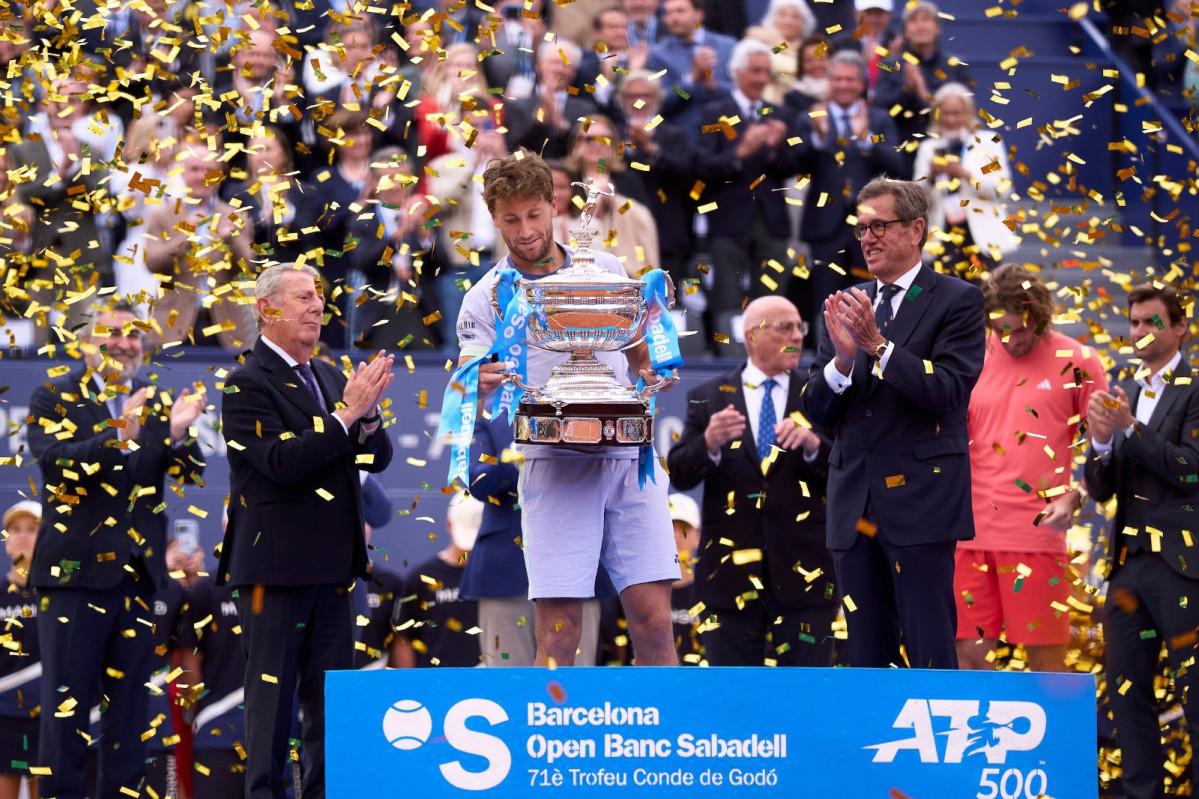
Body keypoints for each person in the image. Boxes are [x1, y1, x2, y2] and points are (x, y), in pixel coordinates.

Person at [454, 149, 680, 666]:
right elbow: (466, 382)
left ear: (553, 206)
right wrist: (480, 381)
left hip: (629, 457)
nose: (526, 229)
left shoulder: (602, 266)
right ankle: (547, 745)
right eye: (511, 219)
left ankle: (668, 744)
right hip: (555, 463)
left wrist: (651, 371)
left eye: (534, 214)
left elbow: (637, 347)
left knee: (653, 622)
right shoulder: (484, 297)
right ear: (494, 218)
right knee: (559, 635)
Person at [217, 263, 395, 799]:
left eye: (318, 296)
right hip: (273, 572)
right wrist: (347, 417)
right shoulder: (245, 382)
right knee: (270, 714)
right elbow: (280, 462)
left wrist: (365, 418)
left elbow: (377, 457)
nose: (317, 306)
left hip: (334, 571)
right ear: (267, 309)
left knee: (331, 709)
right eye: (302, 298)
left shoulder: (330, 376)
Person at [801, 177, 985, 669]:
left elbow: (949, 390)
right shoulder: (847, 303)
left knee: (929, 649)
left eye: (879, 225)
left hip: (921, 505)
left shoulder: (957, 300)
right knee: (865, 654)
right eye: (862, 228)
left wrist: (879, 348)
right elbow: (815, 411)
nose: (868, 238)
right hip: (854, 506)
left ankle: (937, 745)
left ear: (916, 229)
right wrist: (841, 363)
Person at [27, 301, 206, 798]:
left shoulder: (156, 398)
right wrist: (118, 432)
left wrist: (177, 431)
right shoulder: (52, 396)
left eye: (134, 334)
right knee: (65, 715)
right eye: (112, 333)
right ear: (86, 342)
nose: (125, 343)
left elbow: (189, 472)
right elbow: (58, 467)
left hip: (136, 582)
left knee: (129, 716)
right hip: (72, 581)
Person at [669, 296, 838, 665]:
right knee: (732, 702)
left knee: (803, 696)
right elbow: (679, 473)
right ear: (751, 336)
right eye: (784, 328)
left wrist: (812, 444)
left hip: (805, 580)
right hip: (728, 583)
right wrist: (708, 443)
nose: (796, 336)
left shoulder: (819, 396)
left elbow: (847, 470)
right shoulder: (708, 397)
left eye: (799, 327)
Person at [957, 265, 1108, 672]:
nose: (1011, 339)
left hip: (1037, 535)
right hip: (968, 535)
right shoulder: (970, 354)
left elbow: (1106, 449)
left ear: (1041, 316)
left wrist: (1075, 496)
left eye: (1021, 329)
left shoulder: (1080, 361)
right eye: (1001, 329)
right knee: (968, 658)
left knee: (1045, 664)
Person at [1085, 282, 1198, 799]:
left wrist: (1129, 428)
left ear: (1180, 327)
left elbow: (1191, 470)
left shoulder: (1195, 386)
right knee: (1127, 693)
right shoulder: (1124, 388)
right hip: (1127, 566)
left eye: (1151, 322)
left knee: (1194, 695)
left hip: (1183, 567)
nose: (1139, 333)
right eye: (1133, 323)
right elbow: (1103, 489)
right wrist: (1102, 443)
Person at [458, 413, 611, 666]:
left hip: (577, 562)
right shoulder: (492, 413)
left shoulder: (586, 404)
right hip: (506, 572)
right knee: (507, 686)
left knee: (574, 685)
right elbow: (476, 480)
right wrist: (517, 453)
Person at [792, 50, 903, 329]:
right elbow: (790, 162)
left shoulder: (879, 119)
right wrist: (818, 137)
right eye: (837, 79)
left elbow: (898, 163)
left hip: (872, 225)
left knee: (870, 296)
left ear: (861, 84)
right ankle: (824, 361)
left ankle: (871, 356)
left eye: (850, 80)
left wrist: (866, 140)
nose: (843, 85)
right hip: (824, 224)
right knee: (824, 300)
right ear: (829, 81)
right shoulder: (810, 117)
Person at [696, 38, 801, 324]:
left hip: (772, 220)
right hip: (728, 219)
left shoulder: (781, 115)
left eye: (766, 72)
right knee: (728, 296)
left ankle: (771, 355)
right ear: (737, 72)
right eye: (755, 71)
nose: (762, 79)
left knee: (772, 298)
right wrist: (740, 153)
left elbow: (794, 166)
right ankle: (730, 356)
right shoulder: (714, 113)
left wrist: (777, 147)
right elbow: (703, 166)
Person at [144, 138, 256, 351]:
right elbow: (151, 263)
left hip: (226, 326)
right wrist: (184, 237)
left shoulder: (235, 216)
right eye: (195, 169)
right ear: (183, 173)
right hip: (173, 324)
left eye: (209, 170)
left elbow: (249, 265)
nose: (202, 176)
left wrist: (231, 241)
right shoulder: (161, 215)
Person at [911, 83, 1017, 279]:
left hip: (982, 236)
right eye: (946, 113)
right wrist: (932, 177)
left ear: (968, 113)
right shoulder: (928, 147)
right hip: (944, 235)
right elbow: (916, 200)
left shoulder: (988, 142)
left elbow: (1003, 189)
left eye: (957, 113)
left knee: (986, 296)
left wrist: (968, 175)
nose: (952, 120)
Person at [871, 0, 973, 178]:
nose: (920, 26)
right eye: (913, 20)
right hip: (898, 153)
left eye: (926, 19)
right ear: (905, 30)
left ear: (938, 27)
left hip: (942, 154)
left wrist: (922, 92)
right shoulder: (889, 65)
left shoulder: (955, 66)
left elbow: (962, 111)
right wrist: (905, 89)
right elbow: (879, 107)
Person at [390, 494, 483, 668]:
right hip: (432, 685)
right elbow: (404, 638)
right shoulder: (421, 577)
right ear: (449, 525)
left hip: (486, 685)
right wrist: (410, 686)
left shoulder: (497, 579)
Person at [564, 115, 660, 277]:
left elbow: (644, 220)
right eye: (589, 139)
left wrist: (615, 203)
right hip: (573, 267)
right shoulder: (566, 179)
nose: (596, 144)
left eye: (604, 139)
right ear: (576, 144)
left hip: (621, 269)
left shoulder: (628, 180)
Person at [647, 0, 737, 146]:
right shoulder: (658, 54)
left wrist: (714, 86)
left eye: (680, 11)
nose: (673, 18)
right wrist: (690, 80)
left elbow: (741, 93)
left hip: (725, 137)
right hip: (683, 140)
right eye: (668, 13)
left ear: (699, 14)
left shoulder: (728, 46)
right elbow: (661, 100)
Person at [1, 501, 41, 799]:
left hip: (50, 717)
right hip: (4, 718)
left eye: (32, 528)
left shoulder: (61, 594)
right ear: (6, 542)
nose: (23, 536)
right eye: (15, 529)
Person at [502, 40, 600, 159]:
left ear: (574, 72)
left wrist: (561, 125)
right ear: (539, 65)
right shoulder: (517, 106)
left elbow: (585, 149)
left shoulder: (586, 110)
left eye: (565, 64)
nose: (559, 69)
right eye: (554, 62)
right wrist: (538, 124)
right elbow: (512, 149)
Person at [743, 0, 816, 104]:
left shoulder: (809, 46)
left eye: (795, 17)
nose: (788, 21)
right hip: (766, 107)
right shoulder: (761, 39)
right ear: (772, 17)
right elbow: (770, 60)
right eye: (782, 15)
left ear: (804, 22)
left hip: (802, 105)